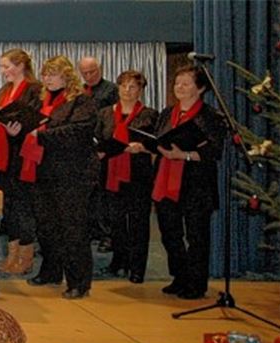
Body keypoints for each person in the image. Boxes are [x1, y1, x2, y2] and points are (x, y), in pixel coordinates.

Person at [22, 56, 99, 299]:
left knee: (72, 228)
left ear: (67, 76)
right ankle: (51, 271)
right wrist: (19, 130)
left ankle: (79, 281)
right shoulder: (42, 100)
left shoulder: (81, 101)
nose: (47, 79)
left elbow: (79, 132)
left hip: (72, 173)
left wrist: (41, 134)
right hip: (43, 169)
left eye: (52, 74)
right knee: (46, 227)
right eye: (45, 74)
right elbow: (31, 128)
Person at [152, 66, 225, 300]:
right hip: (165, 177)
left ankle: (196, 283)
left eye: (185, 83)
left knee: (196, 235)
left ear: (201, 88)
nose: (179, 87)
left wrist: (183, 155)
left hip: (196, 183)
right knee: (170, 233)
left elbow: (214, 151)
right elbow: (158, 139)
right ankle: (180, 276)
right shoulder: (167, 113)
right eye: (177, 83)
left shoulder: (210, 116)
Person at [94, 70, 158, 284]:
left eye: (132, 87)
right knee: (115, 222)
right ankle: (118, 261)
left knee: (138, 223)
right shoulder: (104, 113)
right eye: (123, 86)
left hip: (138, 175)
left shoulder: (149, 114)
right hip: (110, 173)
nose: (127, 91)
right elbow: (97, 139)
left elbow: (158, 144)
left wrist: (143, 147)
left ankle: (137, 268)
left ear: (140, 90)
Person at [0, 48, 43, 276]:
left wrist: (18, 131)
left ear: (21, 65)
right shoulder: (5, 91)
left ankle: (25, 257)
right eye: (2, 67)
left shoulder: (34, 89)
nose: (3, 72)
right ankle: (11, 255)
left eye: (6, 66)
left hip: (22, 154)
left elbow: (36, 120)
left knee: (23, 208)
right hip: (4, 153)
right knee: (9, 208)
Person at [79, 56, 121, 253]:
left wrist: (105, 147)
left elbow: (115, 120)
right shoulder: (80, 91)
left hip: (104, 147)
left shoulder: (111, 90)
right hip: (84, 147)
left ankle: (107, 235)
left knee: (104, 196)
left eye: (92, 72)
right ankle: (90, 230)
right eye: (85, 73)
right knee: (87, 195)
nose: (88, 76)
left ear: (100, 69)